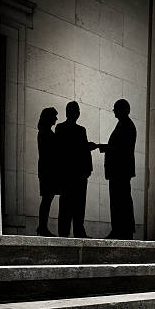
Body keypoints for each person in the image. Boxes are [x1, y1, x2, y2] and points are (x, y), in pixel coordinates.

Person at [55, 101, 98, 238]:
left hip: (70, 173)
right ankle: (76, 231)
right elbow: (81, 151)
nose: (77, 113)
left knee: (68, 205)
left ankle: (66, 232)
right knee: (77, 205)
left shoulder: (61, 128)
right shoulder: (78, 130)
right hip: (76, 174)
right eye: (76, 111)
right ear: (75, 113)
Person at [98, 99, 137, 240]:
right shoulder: (124, 124)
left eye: (115, 108)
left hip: (120, 171)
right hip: (120, 171)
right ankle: (121, 230)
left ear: (122, 109)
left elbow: (119, 149)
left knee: (120, 201)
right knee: (120, 201)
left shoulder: (126, 125)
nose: (113, 110)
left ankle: (121, 230)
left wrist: (101, 147)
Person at [36, 107, 58, 237]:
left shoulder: (44, 132)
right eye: (54, 116)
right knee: (47, 199)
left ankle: (42, 226)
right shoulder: (46, 133)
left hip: (45, 170)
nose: (56, 118)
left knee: (47, 199)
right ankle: (42, 227)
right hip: (48, 171)